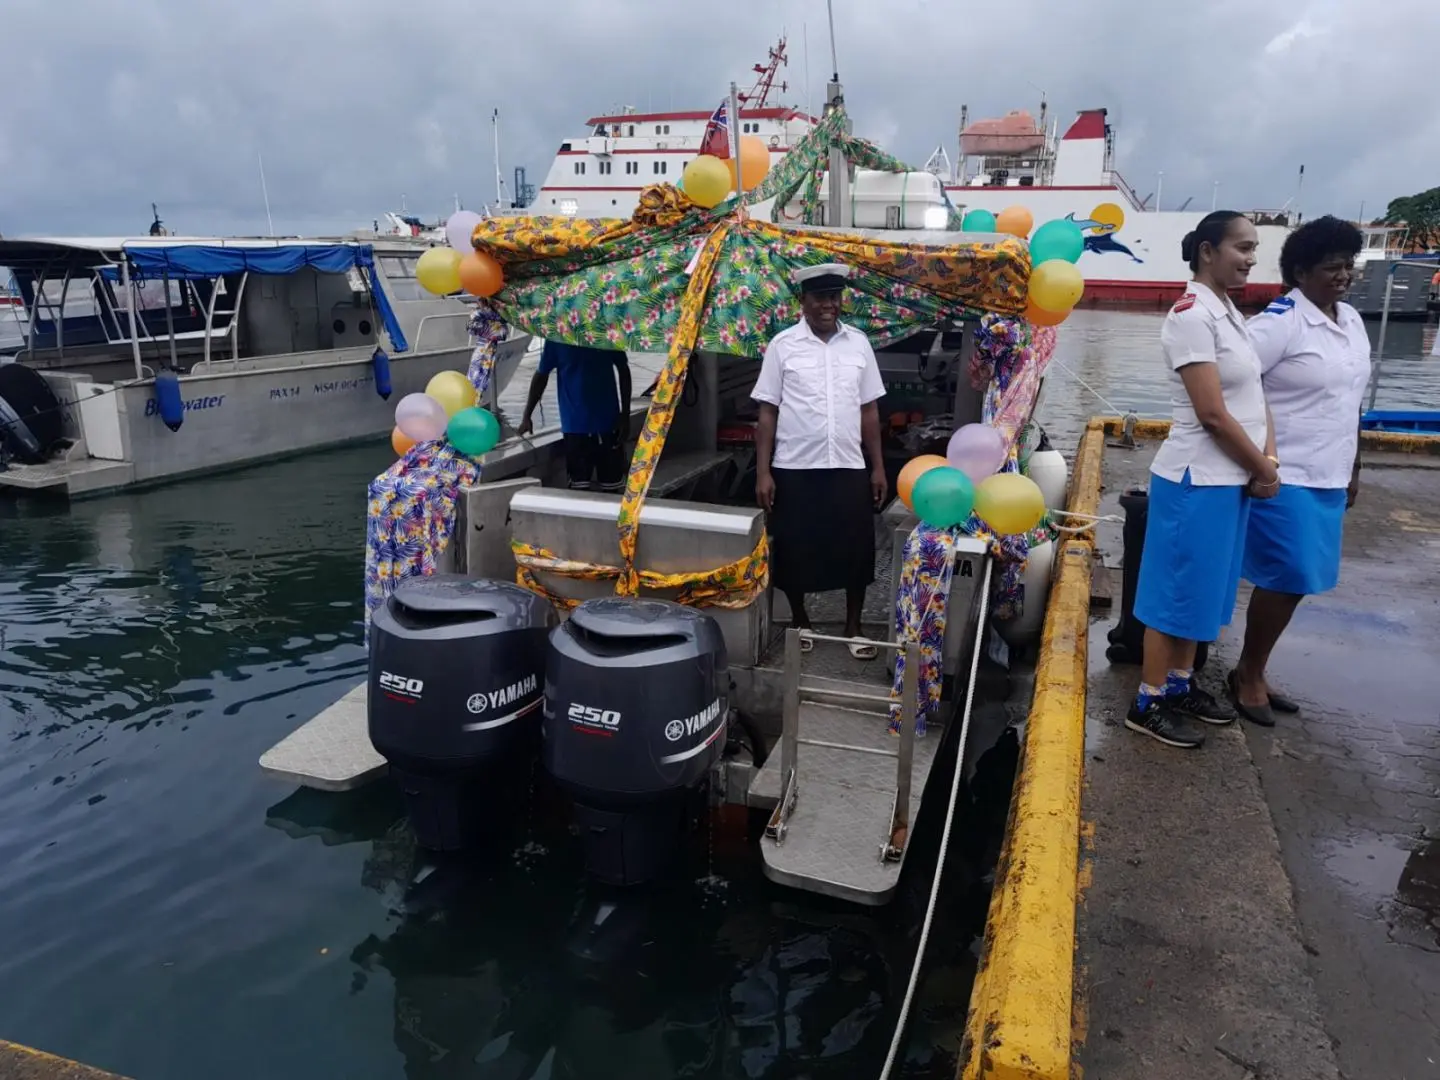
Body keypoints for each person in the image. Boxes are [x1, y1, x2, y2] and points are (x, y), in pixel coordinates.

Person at [1129, 211, 1279, 749]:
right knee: (1174, 593)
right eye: (1242, 247)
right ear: (1208, 251)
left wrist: (1268, 456)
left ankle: (1179, 684)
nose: (1251, 258)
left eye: (1254, 248)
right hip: (1196, 477)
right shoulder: (1191, 316)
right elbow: (1212, 414)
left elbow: (1254, 398)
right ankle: (1147, 701)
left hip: (1229, 479)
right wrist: (1263, 468)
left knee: (1204, 593)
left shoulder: (1229, 313)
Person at [1230, 216, 1370, 725]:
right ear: (1299, 271)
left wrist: (1356, 465)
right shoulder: (1276, 325)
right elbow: (1232, 387)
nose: (1343, 275)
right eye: (1332, 267)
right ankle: (1247, 675)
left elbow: (1352, 398)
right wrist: (1255, 459)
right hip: (1285, 472)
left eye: (1347, 265)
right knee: (1287, 577)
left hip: (1331, 472)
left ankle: (1255, 668)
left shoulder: (1350, 321)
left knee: (1299, 580)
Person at [751, 263, 887, 659]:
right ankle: (800, 620)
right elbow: (767, 413)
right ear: (803, 301)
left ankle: (854, 627)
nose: (829, 305)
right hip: (794, 466)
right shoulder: (782, 346)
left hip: (847, 464)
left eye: (835, 297)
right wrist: (763, 472)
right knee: (795, 547)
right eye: (820, 297)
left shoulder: (859, 344)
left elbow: (869, 410)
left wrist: (877, 466)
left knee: (856, 547)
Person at [517, 341, 631, 492]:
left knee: (612, 487)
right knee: (579, 490)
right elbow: (541, 375)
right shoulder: (557, 338)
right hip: (576, 429)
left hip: (607, 425)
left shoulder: (605, 333)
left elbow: (624, 370)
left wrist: (625, 415)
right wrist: (527, 416)